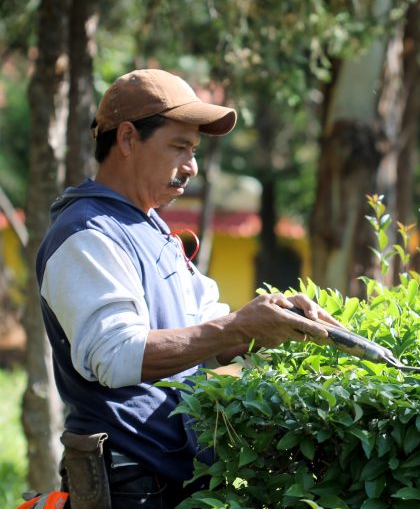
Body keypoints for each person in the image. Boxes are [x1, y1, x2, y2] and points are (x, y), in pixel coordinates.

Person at [35, 69, 340, 508]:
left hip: (174, 475)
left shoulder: (151, 229)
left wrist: (269, 320)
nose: (192, 166)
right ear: (126, 139)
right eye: (179, 147)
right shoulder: (86, 234)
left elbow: (205, 332)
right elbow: (117, 356)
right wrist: (236, 327)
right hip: (130, 481)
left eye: (194, 150)